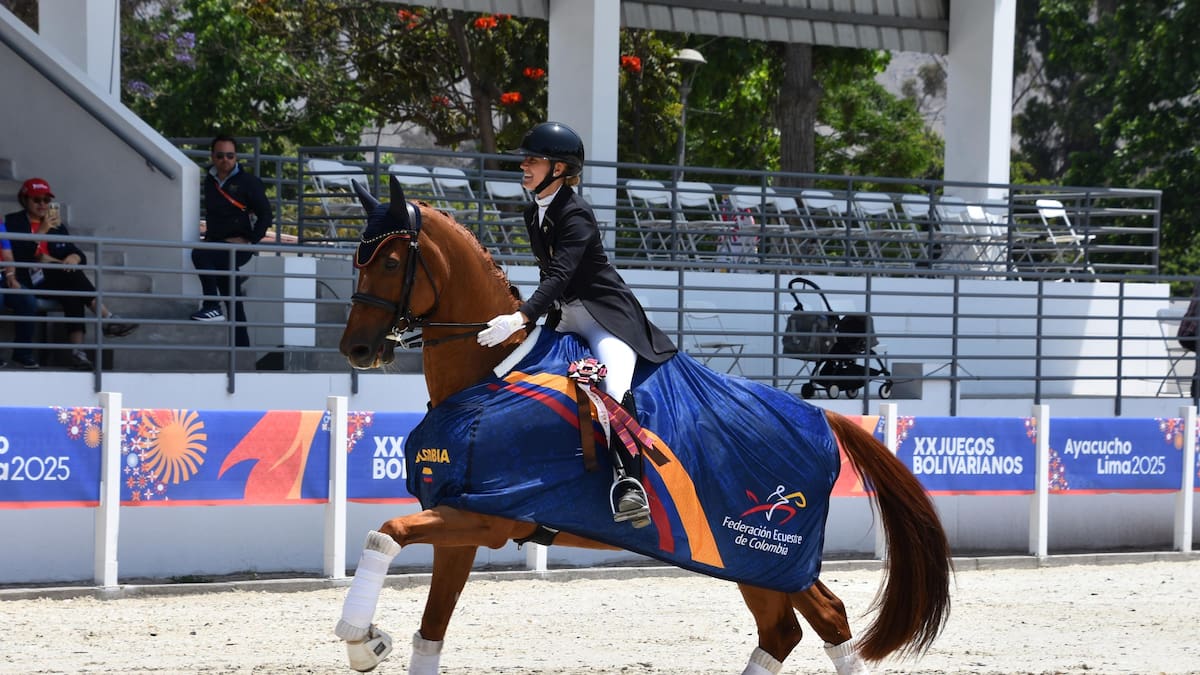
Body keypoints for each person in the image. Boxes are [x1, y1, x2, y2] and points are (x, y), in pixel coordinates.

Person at [476, 121, 677, 528]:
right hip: (565, 317)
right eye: (525, 160)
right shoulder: (534, 212)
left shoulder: (576, 212)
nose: (524, 166)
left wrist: (521, 316)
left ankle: (630, 485)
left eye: (533, 160)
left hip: (605, 319)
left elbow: (560, 274)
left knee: (613, 389)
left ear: (559, 168)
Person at [5, 178, 138, 370]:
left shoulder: (57, 225)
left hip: (56, 277)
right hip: (29, 279)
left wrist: (74, 257)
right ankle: (107, 319)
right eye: (36, 200)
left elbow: (75, 252)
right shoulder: (13, 221)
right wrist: (41, 232)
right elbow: (19, 256)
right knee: (72, 280)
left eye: (46, 200)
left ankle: (79, 353)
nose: (42, 204)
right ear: (24, 200)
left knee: (73, 289)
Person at [189, 135, 272, 346]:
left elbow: (266, 215)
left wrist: (251, 240)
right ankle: (242, 350)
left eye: (230, 155)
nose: (225, 160)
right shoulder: (209, 181)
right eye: (220, 156)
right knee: (233, 299)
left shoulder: (249, 182)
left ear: (236, 157)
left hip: (237, 247)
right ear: (212, 156)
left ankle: (211, 306)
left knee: (199, 254)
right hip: (216, 244)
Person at [0, 216, 40, 368]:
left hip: (2, 275)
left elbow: (8, 255)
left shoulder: (0, 225)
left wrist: (11, 276)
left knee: (27, 299)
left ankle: (22, 353)